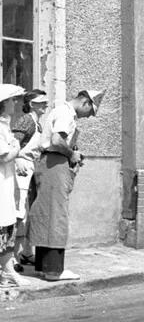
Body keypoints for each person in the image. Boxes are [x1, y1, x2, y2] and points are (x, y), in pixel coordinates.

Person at [29, 89, 104, 281]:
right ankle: (54, 270)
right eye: (90, 112)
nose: (87, 116)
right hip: (55, 164)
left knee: (46, 212)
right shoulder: (66, 113)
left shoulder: (60, 111)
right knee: (57, 215)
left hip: (48, 163)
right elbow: (57, 140)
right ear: (85, 103)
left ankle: (42, 266)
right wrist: (72, 154)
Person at [12, 90, 49, 271]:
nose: (46, 104)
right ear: (32, 104)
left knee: (28, 214)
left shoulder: (38, 125)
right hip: (21, 169)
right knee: (18, 214)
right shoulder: (26, 120)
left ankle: (25, 253)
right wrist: (17, 158)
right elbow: (12, 143)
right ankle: (12, 258)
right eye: (41, 101)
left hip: (32, 170)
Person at [0, 84, 31, 287]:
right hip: (1, 182)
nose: (16, 103)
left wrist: (17, 155)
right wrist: (18, 146)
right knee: (4, 224)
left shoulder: (5, 124)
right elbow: (5, 155)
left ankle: (6, 270)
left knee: (7, 223)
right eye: (12, 100)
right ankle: (8, 272)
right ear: (3, 104)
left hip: (6, 180)